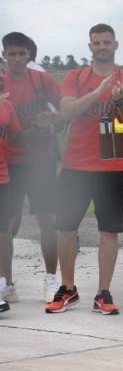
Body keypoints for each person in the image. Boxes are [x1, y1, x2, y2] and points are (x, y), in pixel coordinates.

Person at [45, 24, 123, 315]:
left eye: (107, 42)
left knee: (109, 231)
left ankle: (103, 292)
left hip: (112, 167)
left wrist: (118, 100)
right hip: (76, 165)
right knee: (65, 228)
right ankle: (67, 288)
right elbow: (67, 111)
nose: (102, 47)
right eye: (96, 42)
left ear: (116, 45)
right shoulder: (76, 77)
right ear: (90, 47)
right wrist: (99, 91)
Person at [1, 32, 63, 304]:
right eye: (11, 54)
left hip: (41, 160)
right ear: (4, 54)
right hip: (8, 162)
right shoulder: (1, 83)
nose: (16, 59)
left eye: (21, 54)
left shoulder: (41, 80)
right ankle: (6, 283)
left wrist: (54, 121)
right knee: (5, 225)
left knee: (46, 220)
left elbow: (65, 108)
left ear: (29, 55)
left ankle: (52, 280)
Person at [0, 69, 23, 311]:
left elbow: (17, 136)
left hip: (3, 175)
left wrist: (45, 122)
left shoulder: (6, 107)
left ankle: (5, 283)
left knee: (3, 230)